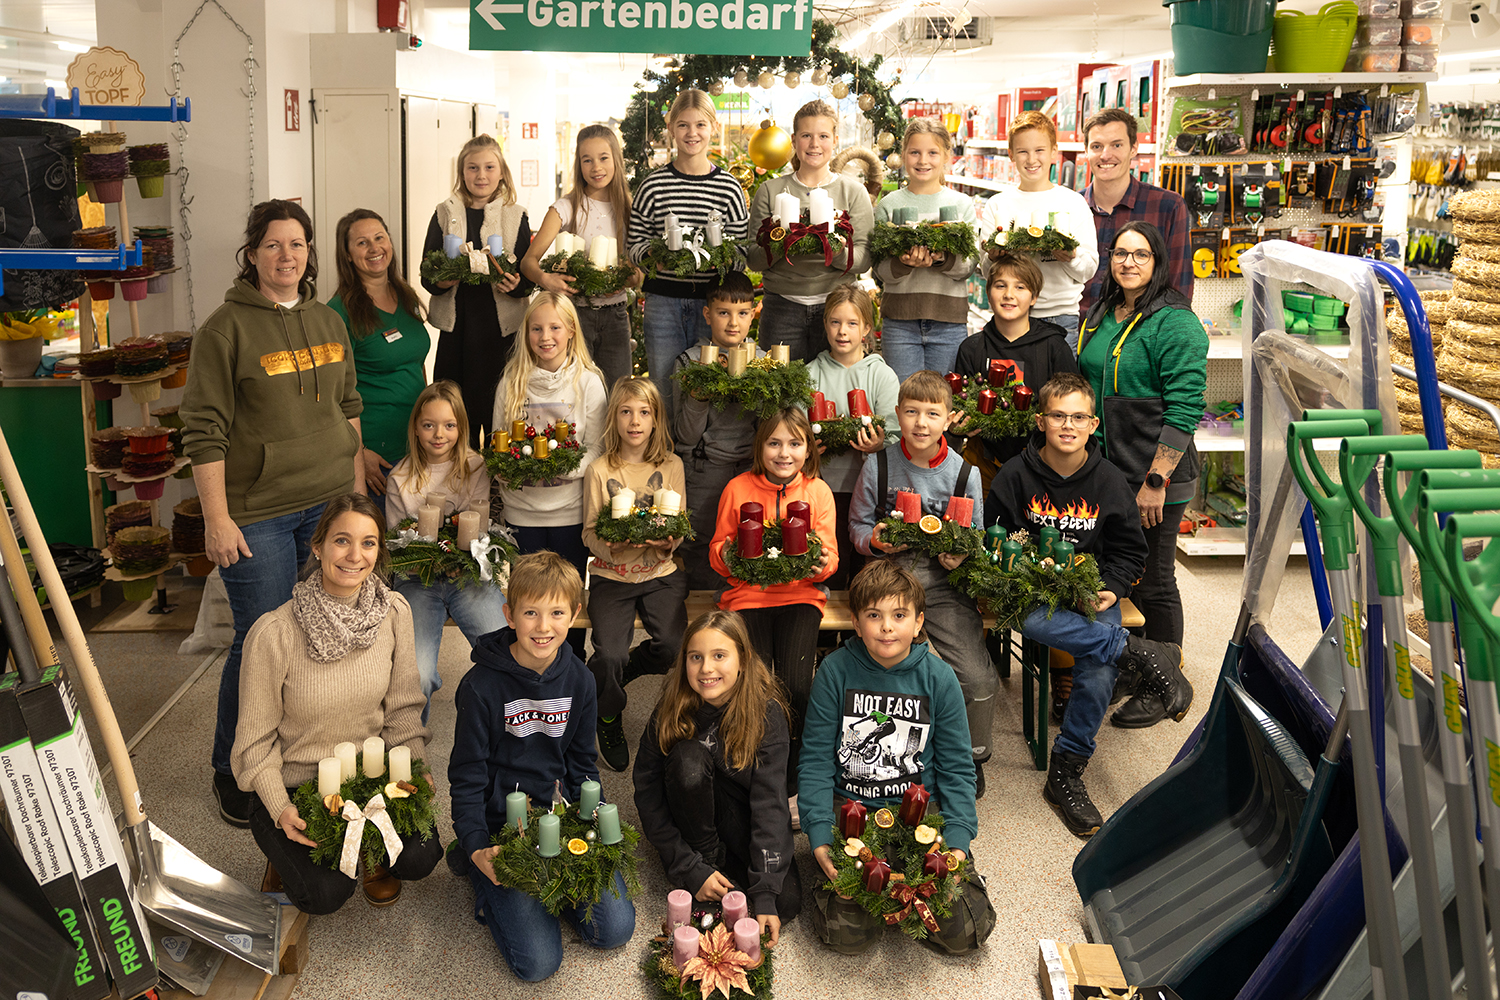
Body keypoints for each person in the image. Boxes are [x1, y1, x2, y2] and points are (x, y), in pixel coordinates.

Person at [182, 199, 364, 828]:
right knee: (260, 644)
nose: (287, 256)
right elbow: (203, 432)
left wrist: (354, 494)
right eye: (274, 245)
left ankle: (294, 753)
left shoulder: (327, 320)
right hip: (256, 513)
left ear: (310, 253)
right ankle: (229, 767)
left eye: (298, 244)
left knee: (318, 639)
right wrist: (216, 518)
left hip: (326, 507)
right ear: (252, 253)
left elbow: (348, 406)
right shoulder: (224, 330)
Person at [988, 373, 1191, 836]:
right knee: (1058, 627)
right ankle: (1139, 652)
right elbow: (994, 543)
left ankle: (1065, 771)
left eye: (1078, 417)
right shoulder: (1014, 476)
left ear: (1093, 423)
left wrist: (1114, 587)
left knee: (1098, 666)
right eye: (1058, 415)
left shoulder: (1109, 480)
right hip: (1030, 592)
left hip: (1090, 590)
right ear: (1041, 421)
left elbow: (1129, 550)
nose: (1067, 425)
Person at [230, 494, 441, 911]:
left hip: (370, 776)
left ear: (379, 551)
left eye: (368, 543)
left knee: (421, 857)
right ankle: (281, 855)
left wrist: (416, 765)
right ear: (318, 546)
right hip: (296, 783)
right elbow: (254, 745)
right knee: (325, 894)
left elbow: (401, 710)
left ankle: (366, 850)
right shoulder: (275, 633)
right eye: (342, 540)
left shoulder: (394, 611)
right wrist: (279, 807)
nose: (355, 556)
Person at [448, 552, 635, 982]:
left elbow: (582, 764)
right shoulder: (480, 687)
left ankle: (551, 884)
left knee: (614, 930)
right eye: (530, 612)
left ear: (574, 616)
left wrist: (597, 827)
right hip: (502, 827)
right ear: (509, 615)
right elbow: (467, 776)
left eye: (556, 612)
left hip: (562, 820)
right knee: (538, 964)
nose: (543, 626)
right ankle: (476, 874)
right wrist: (477, 844)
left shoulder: (581, 681)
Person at [800, 560, 994, 955]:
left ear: (919, 622)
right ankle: (881, 894)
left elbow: (958, 768)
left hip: (921, 814)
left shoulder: (940, 679)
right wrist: (819, 836)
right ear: (856, 623)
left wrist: (957, 841)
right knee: (847, 938)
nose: (887, 626)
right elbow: (816, 759)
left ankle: (905, 888)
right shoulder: (835, 672)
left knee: (965, 933)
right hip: (852, 809)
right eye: (874, 615)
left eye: (899, 615)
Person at [1079, 221, 1207, 728]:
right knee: (1121, 573)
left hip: (1156, 475)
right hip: (1111, 470)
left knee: (1153, 578)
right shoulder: (1104, 310)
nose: (1128, 262)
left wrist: (1156, 482)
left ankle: (1168, 681)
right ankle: (1137, 666)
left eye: (1141, 254)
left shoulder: (1174, 321)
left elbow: (1184, 407)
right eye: (1120, 253)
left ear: (1158, 262)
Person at [850, 371, 993, 796]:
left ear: (948, 419)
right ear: (898, 414)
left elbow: (979, 536)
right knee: (883, 669)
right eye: (911, 412)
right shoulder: (878, 464)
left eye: (932, 413)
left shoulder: (965, 473)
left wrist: (963, 553)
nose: (921, 423)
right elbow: (857, 525)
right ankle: (880, 751)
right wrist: (874, 540)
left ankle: (972, 755)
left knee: (977, 678)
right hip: (887, 580)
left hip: (944, 584)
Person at [633, 609, 802, 941]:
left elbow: (770, 804)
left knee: (785, 902)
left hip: (736, 810)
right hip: (688, 809)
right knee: (688, 760)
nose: (706, 668)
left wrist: (765, 889)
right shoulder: (672, 705)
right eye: (696, 657)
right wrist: (691, 867)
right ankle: (706, 865)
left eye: (719, 655)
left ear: (743, 659)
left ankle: (721, 872)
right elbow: (647, 791)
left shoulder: (767, 712)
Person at [710, 407, 837, 785]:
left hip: (800, 598)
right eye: (774, 443)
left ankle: (797, 768)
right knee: (757, 684)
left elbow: (829, 555)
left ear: (808, 448)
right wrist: (732, 557)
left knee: (797, 684)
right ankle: (756, 763)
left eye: (795, 443)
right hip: (747, 598)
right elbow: (718, 550)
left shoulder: (817, 491)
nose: (784, 453)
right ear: (760, 447)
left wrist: (821, 565)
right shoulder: (737, 488)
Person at [492, 292, 610, 657]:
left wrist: (555, 469)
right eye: (536, 328)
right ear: (525, 332)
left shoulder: (589, 383)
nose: (546, 337)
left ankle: (570, 673)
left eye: (555, 327)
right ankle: (528, 680)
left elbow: (597, 449)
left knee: (565, 607)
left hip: (569, 514)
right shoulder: (511, 382)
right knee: (528, 607)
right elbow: (497, 449)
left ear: (571, 330)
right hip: (522, 513)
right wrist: (518, 472)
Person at [581, 376, 688, 772]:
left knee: (675, 647)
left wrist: (669, 542)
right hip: (613, 576)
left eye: (644, 412)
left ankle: (632, 666)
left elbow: (679, 524)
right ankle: (607, 713)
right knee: (608, 654)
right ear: (614, 418)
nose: (635, 420)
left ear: (656, 419)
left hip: (661, 571)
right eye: (626, 411)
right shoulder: (599, 470)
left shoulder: (670, 465)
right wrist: (613, 547)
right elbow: (589, 530)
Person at [385, 381, 506, 721]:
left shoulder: (474, 467)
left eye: (449, 425)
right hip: (416, 582)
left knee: (504, 653)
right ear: (416, 428)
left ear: (461, 427)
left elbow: (479, 529)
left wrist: (460, 559)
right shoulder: (401, 478)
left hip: (467, 576)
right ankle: (411, 754)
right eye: (429, 425)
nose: (439, 434)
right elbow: (397, 548)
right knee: (416, 675)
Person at [627, 90, 750, 411]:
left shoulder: (728, 187)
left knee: (709, 390)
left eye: (700, 125)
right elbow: (635, 244)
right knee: (664, 389)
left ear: (713, 126)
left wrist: (715, 258)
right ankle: (667, 459)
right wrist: (656, 259)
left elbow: (740, 250)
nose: (691, 133)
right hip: (663, 303)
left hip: (713, 308)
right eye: (682, 125)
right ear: (670, 127)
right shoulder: (653, 186)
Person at [421, 134, 535, 448]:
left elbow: (528, 273)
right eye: (472, 168)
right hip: (457, 331)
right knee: (457, 410)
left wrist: (516, 286)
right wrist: (442, 281)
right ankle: (459, 476)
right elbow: (427, 272)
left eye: (488, 167)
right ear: (462, 173)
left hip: (500, 333)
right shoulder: (445, 213)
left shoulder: (516, 215)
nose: (480, 175)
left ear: (502, 172)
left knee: (500, 410)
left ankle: (498, 484)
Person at [747, 99, 875, 362]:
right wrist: (784, 244)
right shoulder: (770, 191)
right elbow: (753, 257)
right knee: (780, 392)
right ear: (794, 140)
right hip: (782, 307)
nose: (814, 144)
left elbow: (864, 259)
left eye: (823, 136)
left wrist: (834, 249)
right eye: (806, 135)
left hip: (837, 309)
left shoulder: (853, 192)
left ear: (835, 140)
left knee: (830, 395)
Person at [521, 124, 640, 389]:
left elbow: (639, 271)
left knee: (616, 392)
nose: (596, 167)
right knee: (573, 390)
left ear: (616, 161)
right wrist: (547, 279)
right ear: (579, 164)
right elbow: (528, 262)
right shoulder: (566, 208)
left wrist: (629, 278)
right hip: (574, 316)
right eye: (587, 160)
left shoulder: (630, 210)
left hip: (616, 316)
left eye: (603, 158)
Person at [328, 208, 430, 511]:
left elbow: (416, 364)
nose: (374, 249)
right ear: (347, 254)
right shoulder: (338, 313)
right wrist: (359, 452)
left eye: (379, 238)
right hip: (377, 456)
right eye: (361, 243)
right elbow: (330, 395)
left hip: (417, 446)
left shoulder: (406, 294)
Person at [670, 273, 765, 590]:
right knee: (701, 548)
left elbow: (771, 429)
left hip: (750, 471)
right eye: (724, 313)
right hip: (703, 468)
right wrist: (699, 397)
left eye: (742, 313)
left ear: (754, 314)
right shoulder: (689, 363)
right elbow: (684, 436)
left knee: (750, 546)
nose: (733, 323)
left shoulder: (765, 365)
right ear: (708, 314)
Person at [804, 283, 899, 589]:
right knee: (827, 564)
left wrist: (878, 444)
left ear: (867, 328)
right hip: (821, 488)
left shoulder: (881, 375)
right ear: (825, 325)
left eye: (852, 323)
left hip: (867, 492)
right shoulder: (809, 374)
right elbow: (792, 431)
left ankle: (855, 633)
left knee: (862, 571)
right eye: (835, 322)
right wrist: (806, 448)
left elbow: (897, 437)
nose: (842, 331)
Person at [953, 252, 1078, 483]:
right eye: (1000, 286)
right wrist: (959, 426)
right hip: (985, 464)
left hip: (1043, 464)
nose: (1009, 295)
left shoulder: (1053, 347)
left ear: (1034, 297)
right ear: (989, 293)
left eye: (1020, 287)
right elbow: (959, 406)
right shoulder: (971, 349)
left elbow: (1073, 407)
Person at [873, 118, 981, 381]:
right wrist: (903, 263)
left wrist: (942, 258)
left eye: (932, 152)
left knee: (941, 402)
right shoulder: (889, 204)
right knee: (901, 397)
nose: (923, 160)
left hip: (948, 323)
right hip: (899, 322)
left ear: (946, 156)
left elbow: (969, 265)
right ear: (903, 155)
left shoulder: (961, 204)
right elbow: (878, 268)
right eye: (915, 152)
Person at [983, 111, 1100, 351]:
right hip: (1010, 316)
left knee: (1059, 388)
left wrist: (1071, 257)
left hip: (1060, 317)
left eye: (1039, 150)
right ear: (1011, 155)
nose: (1031, 159)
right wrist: (993, 258)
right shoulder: (998, 205)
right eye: (1023, 151)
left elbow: (1089, 269)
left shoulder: (1073, 203)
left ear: (1054, 152)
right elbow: (987, 273)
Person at [1080, 108, 1193, 318]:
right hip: (1073, 334)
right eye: (1096, 146)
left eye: (1116, 145)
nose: (1105, 155)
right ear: (1086, 150)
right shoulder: (1070, 208)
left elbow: (1178, 287)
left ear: (1133, 148)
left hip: (1139, 337)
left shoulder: (1168, 207)